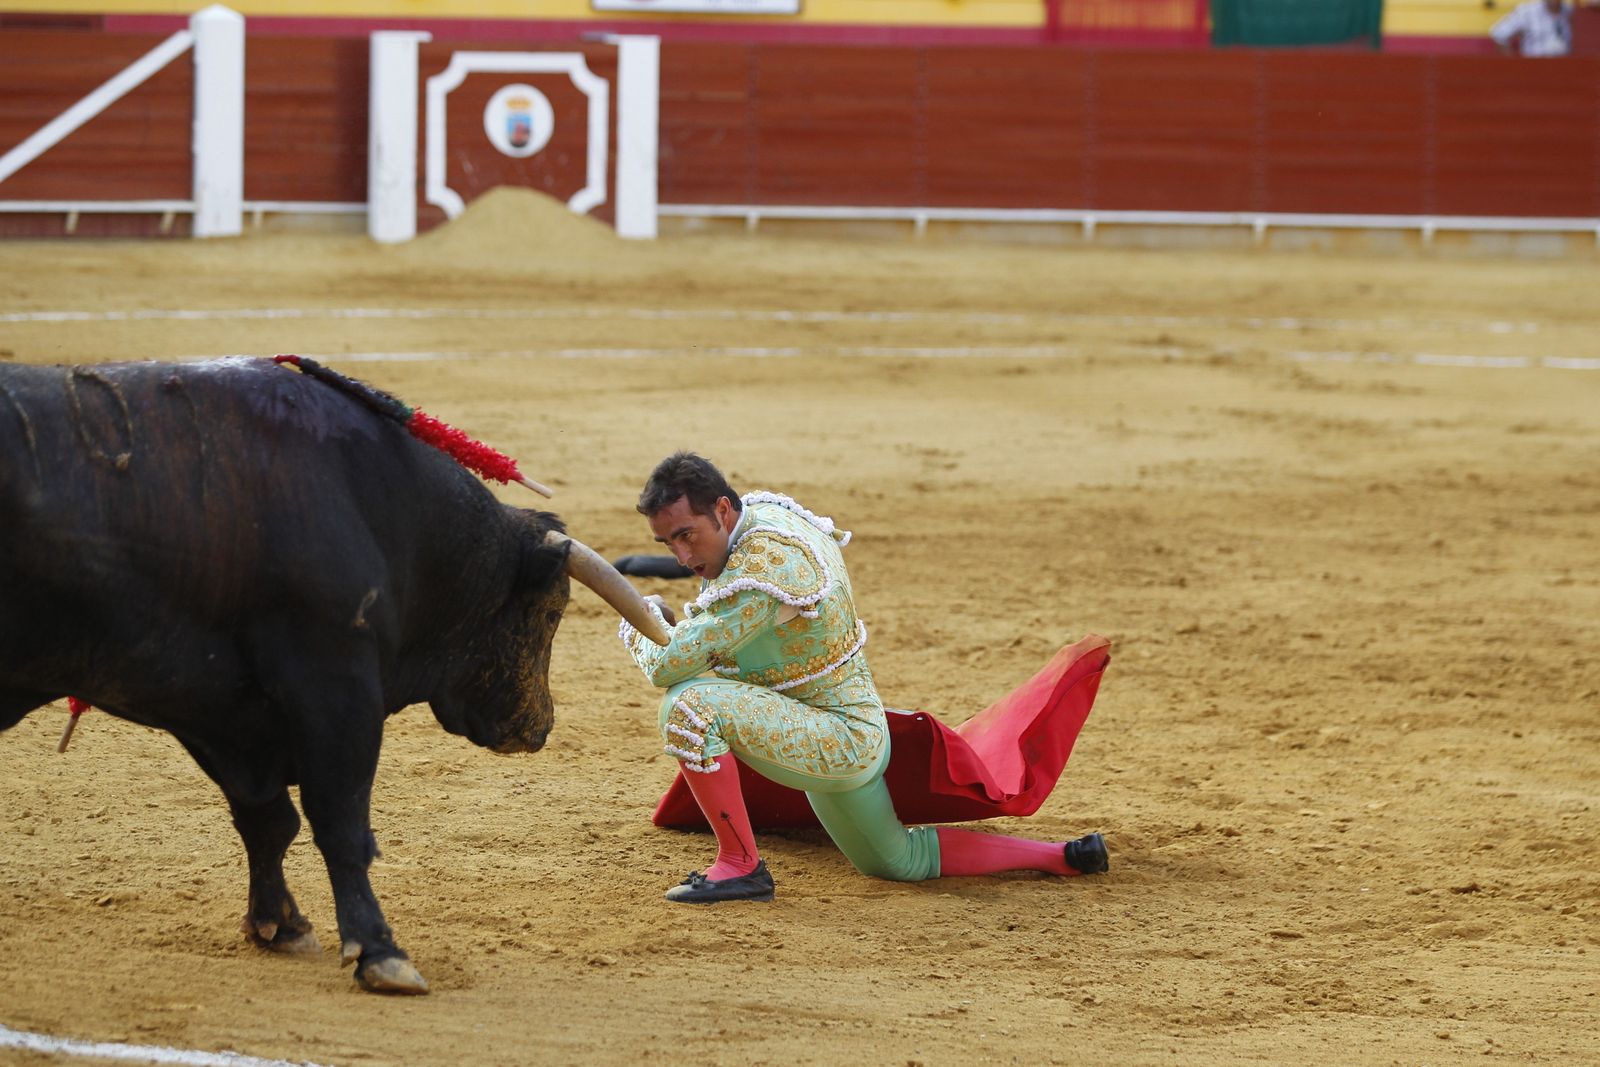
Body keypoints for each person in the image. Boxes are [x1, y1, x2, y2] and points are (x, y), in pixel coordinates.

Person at [616, 451, 1108, 903]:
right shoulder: (766, 517)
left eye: (687, 535)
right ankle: (1063, 856)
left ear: (723, 511)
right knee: (897, 860)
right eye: (668, 542)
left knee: (689, 706)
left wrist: (638, 621)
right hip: (842, 727)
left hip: (835, 737)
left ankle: (740, 865)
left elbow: (667, 665)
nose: (682, 557)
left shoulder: (768, 568)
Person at [1490, 0, 1574, 56]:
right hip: (1534, 69)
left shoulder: (1571, 11)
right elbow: (1499, 34)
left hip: (1564, 71)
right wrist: (1514, 66)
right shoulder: (1527, 11)